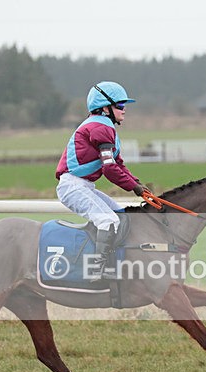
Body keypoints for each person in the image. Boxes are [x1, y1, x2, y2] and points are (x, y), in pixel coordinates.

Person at [55, 81, 149, 279]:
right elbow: (110, 169)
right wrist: (134, 188)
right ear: (105, 108)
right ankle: (96, 270)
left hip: (84, 186)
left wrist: (138, 184)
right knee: (108, 221)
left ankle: (114, 262)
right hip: (72, 186)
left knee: (121, 216)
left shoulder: (105, 128)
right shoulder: (99, 127)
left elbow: (119, 164)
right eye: (120, 106)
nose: (124, 111)